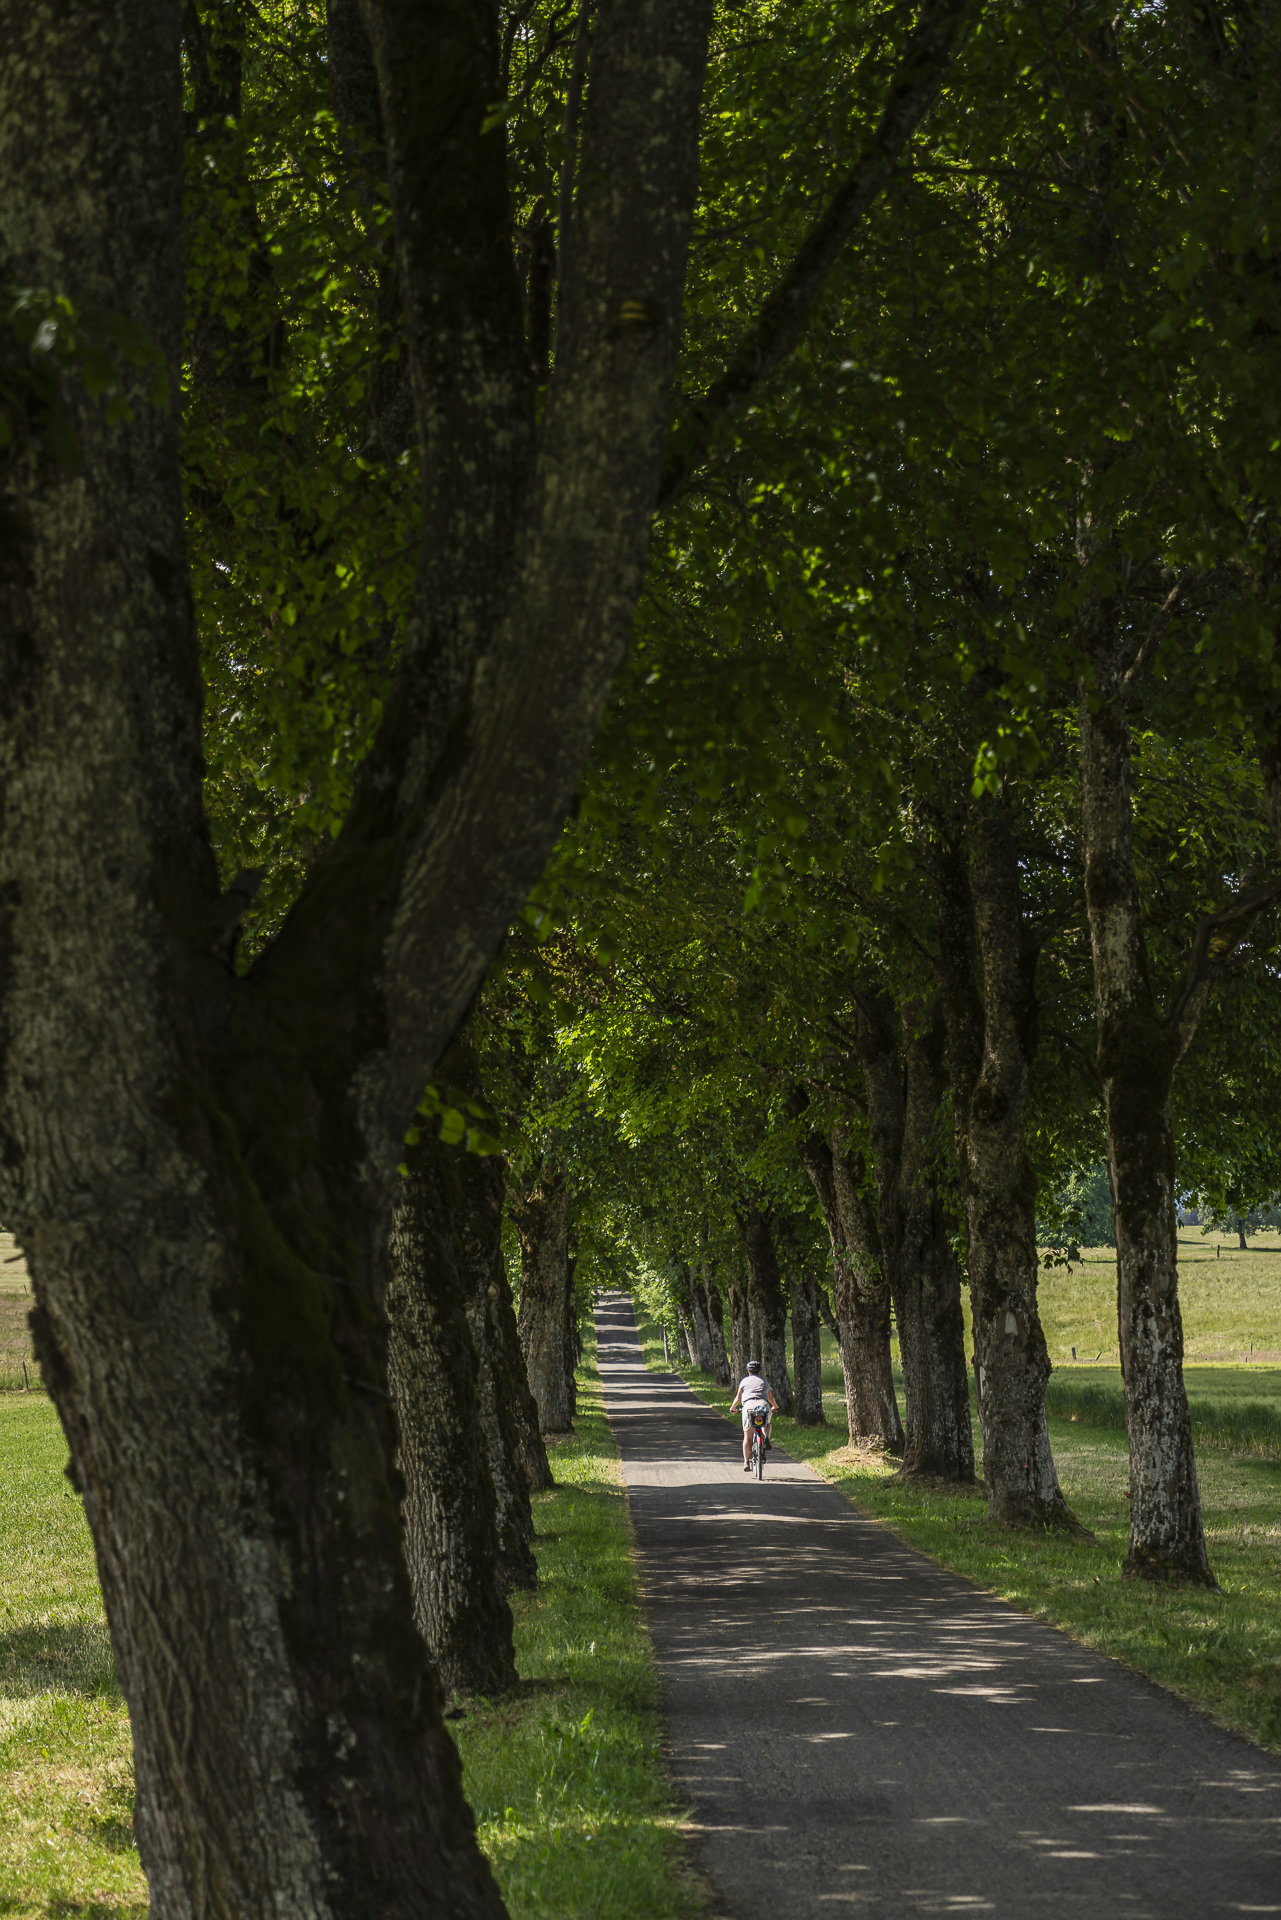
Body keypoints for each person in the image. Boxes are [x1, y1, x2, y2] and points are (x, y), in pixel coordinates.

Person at [729, 1360, 778, 1471]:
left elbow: (738, 1398)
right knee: (767, 1423)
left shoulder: (744, 1381)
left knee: (748, 1437)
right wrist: (775, 1406)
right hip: (762, 1404)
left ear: (748, 1371)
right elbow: (770, 1397)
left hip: (748, 1406)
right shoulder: (763, 1381)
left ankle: (746, 1462)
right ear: (759, 1371)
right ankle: (766, 1438)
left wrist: (733, 1408)